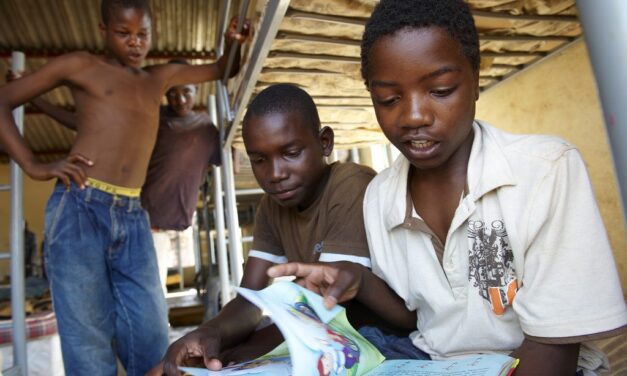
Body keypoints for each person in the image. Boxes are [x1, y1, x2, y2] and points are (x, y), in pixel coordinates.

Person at [268, 0, 627, 375]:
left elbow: (553, 351)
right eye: (388, 99)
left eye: (440, 90)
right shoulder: (381, 196)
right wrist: (358, 281)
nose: (414, 116)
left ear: (475, 77)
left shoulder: (544, 171)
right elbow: (421, 319)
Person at [0, 0, 249, 374]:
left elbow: (219, 69)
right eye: (123, 33)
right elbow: (4, 99)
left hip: (134, 215)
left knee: (150, 332)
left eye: (143, 34)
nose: (135, 43)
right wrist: (35, 165)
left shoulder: (158, 78)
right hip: (79, 207)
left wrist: (234, 44)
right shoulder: (81, 65)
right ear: (103, 31)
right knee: (88, 335)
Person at [151, 84, 409, 376]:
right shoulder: (272, 207)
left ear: (325, 142)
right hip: (326, 336)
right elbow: (249, 300)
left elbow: (325, 307)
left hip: (379, 337)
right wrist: (210, 334)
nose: (275, 174)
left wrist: (237, 354)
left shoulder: (351, 184)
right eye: (259, 160)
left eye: (291, 153)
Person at [9, 60, 222, 295]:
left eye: (187, 92)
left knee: (147, 299)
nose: (180, 99)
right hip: (133, 220)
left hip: (167, 228)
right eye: (172, 93)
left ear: (198, 90)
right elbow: (81, 123)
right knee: (113, 296)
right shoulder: (151, 117)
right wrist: (36, 99)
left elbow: (230, 161)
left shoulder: (208, 131)